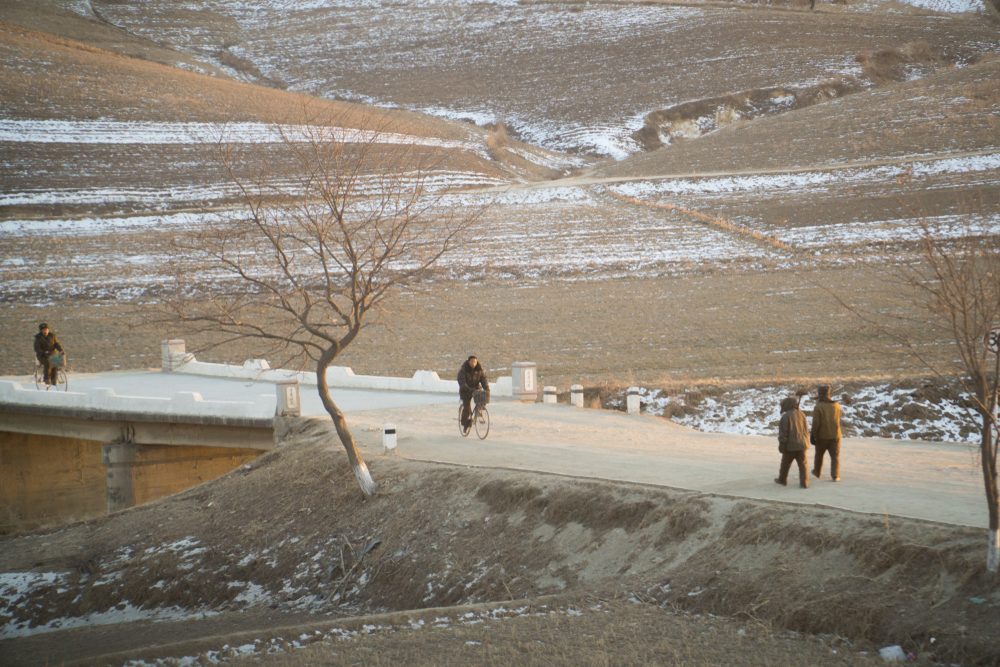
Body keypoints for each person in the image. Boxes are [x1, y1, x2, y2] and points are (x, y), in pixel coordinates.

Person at [775, 396, 809, 488]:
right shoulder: (802, 415)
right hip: (802, 445)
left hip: (790, 446)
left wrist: (782, 444)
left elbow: (783, 433)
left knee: (785, 464)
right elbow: (805, 430)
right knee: (803, 465)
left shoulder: (786, 416)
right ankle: (804, 483)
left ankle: (782, 480)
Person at [811, 384, 842, 481]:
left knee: (819, 455)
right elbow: (839, 416)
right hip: (835, 436)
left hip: (822, 437)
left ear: (819, 394)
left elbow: (816, 423)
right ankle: (835, 475)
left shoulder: (818, 407)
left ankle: (817, 472)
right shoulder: (836, 405)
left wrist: (813, 435)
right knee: (835, 456)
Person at [458, 355, 490, 435]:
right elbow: (461, 380)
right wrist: (466, 387)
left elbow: (483, 378)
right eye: (472, 362)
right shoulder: (464, 369)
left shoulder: (479, 369)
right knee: (467, 408)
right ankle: (465, 425)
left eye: (475, 362)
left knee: (482, 397)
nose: (473, 364)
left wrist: (486, 388)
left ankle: (479, 409)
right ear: (469, 362)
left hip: (475, 388)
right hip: (466, 390)